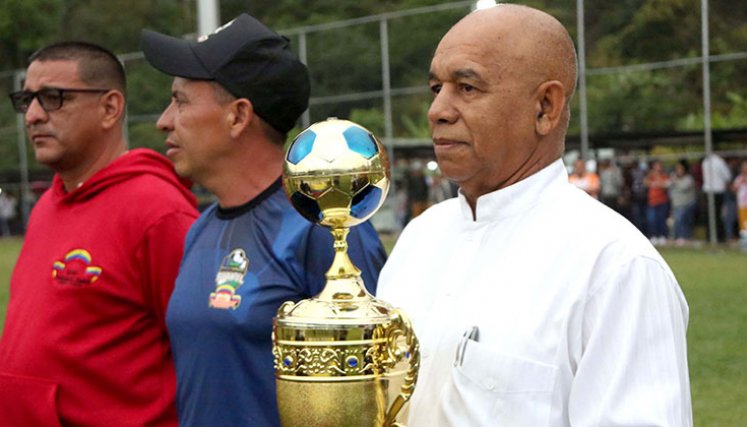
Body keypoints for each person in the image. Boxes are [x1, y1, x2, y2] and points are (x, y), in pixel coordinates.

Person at [377, 5, 691, 426]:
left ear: (545, 107)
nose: (438, 110)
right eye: (437, 87)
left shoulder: (614, 267)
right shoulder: (418, 240)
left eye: (467, 87)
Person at [140, 14, 387, 426]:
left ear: (238, 116)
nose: (164, 120)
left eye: (181, 101)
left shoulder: (321, 229)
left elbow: (374, 395)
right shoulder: (201, 228)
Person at [0, 42, 198, 426]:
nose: (34, 116)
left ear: (110, 108)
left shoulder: (158, 210)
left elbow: (205, 355)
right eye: (27, 100)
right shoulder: (47, 206)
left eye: (53, 98)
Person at [702, 153, 732, 242]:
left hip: (707, 191)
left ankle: (709, 236)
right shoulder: (720, 162)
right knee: (718, 215)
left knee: (709, 214)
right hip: (718, 191)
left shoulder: (705, 162)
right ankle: (719, 237)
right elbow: (728, 176)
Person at [669, 159, 697, 245]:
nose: (678, 171)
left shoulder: (688, 179)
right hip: (676, 205)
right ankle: (680, 238)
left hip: (686, 205)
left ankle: (685, 238)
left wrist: (674, 181)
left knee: (681, 221)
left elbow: (683, 187)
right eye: (677, 169)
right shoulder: (673, 180)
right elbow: (667, 186)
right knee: (676, 222)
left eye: (680, 169)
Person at [645, 159, 671, 245]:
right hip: (652, 202)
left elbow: (665, 185)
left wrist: (657, 178)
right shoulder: (650, 175)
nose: (658, 168)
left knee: (661, 220)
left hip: (662, 201)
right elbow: (646, 183)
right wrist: (654, 180)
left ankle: (662, 236)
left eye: (659, 166)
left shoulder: (664, 175)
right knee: (652, 220)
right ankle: (653, 236)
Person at [732, 159, 747, 235]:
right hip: (743, 204)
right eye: (744, 166)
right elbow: (734, 188)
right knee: (744, 224)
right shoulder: (739, 178)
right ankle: (745, 242)